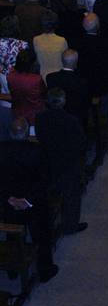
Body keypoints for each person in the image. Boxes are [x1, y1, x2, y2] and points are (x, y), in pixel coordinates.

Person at [0, 116, 58, 282]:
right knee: (41, 235)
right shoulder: (37, 151)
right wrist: (27, 200)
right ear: (26, 133)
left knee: (12, 234)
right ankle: (45, 269)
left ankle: (13, 269)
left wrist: (9, 199)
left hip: (9, 204)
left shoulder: (1, 150)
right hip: (35, 203)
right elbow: (45, 180)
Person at [35, 87, 87, 234]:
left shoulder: (40, 118)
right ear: (63, 102)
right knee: (72, 194)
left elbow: (40, 137)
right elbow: (81, 142)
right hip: (67, 164)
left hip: (47, 161)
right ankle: (70, 225)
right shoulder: (72, 121)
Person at [7, 48, 47, 124]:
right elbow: (44, 94)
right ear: (32, 64)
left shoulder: (10, 76)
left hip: (17, 114)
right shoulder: (37, 79)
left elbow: (12, 92)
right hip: (35, 115)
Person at [33, 12, 68, 79]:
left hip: (42, 78)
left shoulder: (36, 40)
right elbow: (66, 63)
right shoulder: (62, 40)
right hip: (58, 78)